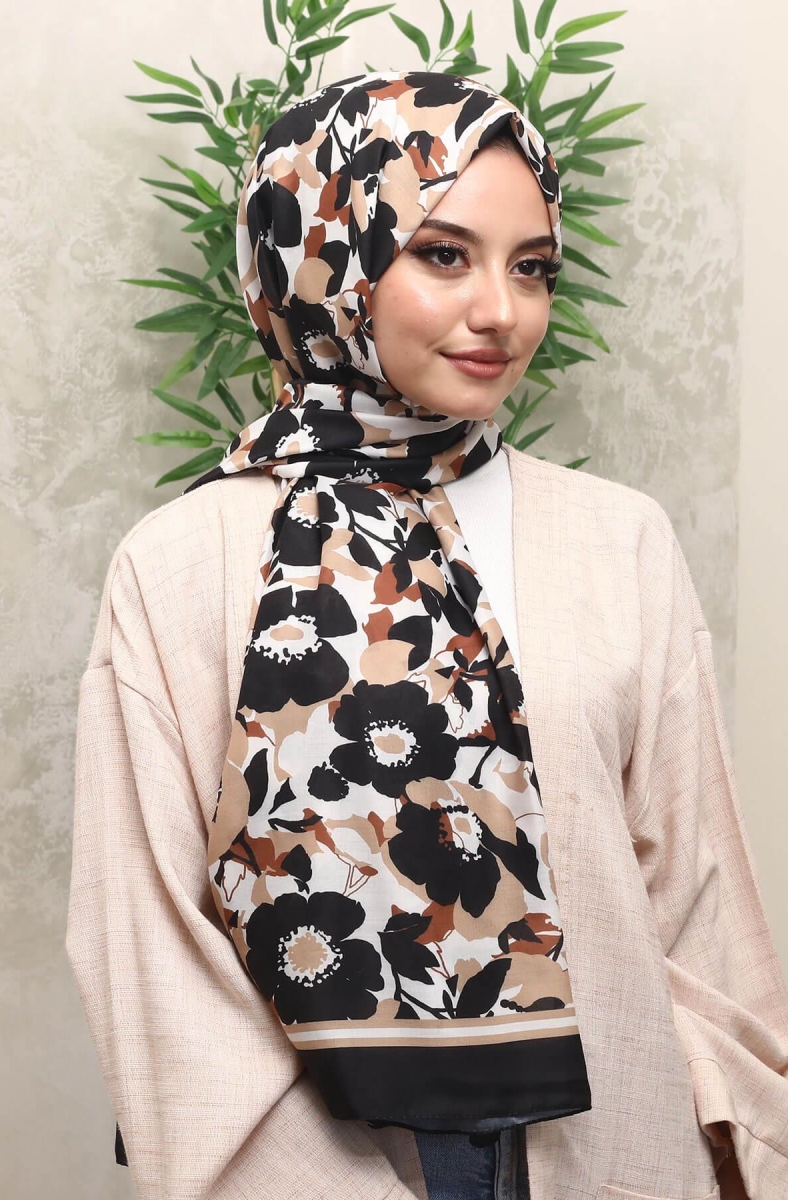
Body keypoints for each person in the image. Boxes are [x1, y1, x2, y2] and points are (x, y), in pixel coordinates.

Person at [66, 70, 788, 1200]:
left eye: (532, 266)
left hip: (612, 1143)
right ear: (324, 260)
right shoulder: (182, 562)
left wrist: (736, 1149)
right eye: (444, 254)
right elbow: (146, 942)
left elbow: (699, 909)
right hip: (303, 1167)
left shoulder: (619, 539)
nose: (503, 311)